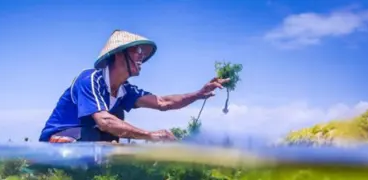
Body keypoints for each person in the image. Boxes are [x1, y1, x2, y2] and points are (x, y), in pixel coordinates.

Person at [38, 29, 230, 143]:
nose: (142, 57)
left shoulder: (125, 90)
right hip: (60, 139)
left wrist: (198, 94)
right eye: (138, 51)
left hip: (89, 141)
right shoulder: (90, 80)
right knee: (109, 124)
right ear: (119, 54)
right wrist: (150, 135)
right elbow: (105, 122)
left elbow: (163, 102)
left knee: (116, 120)